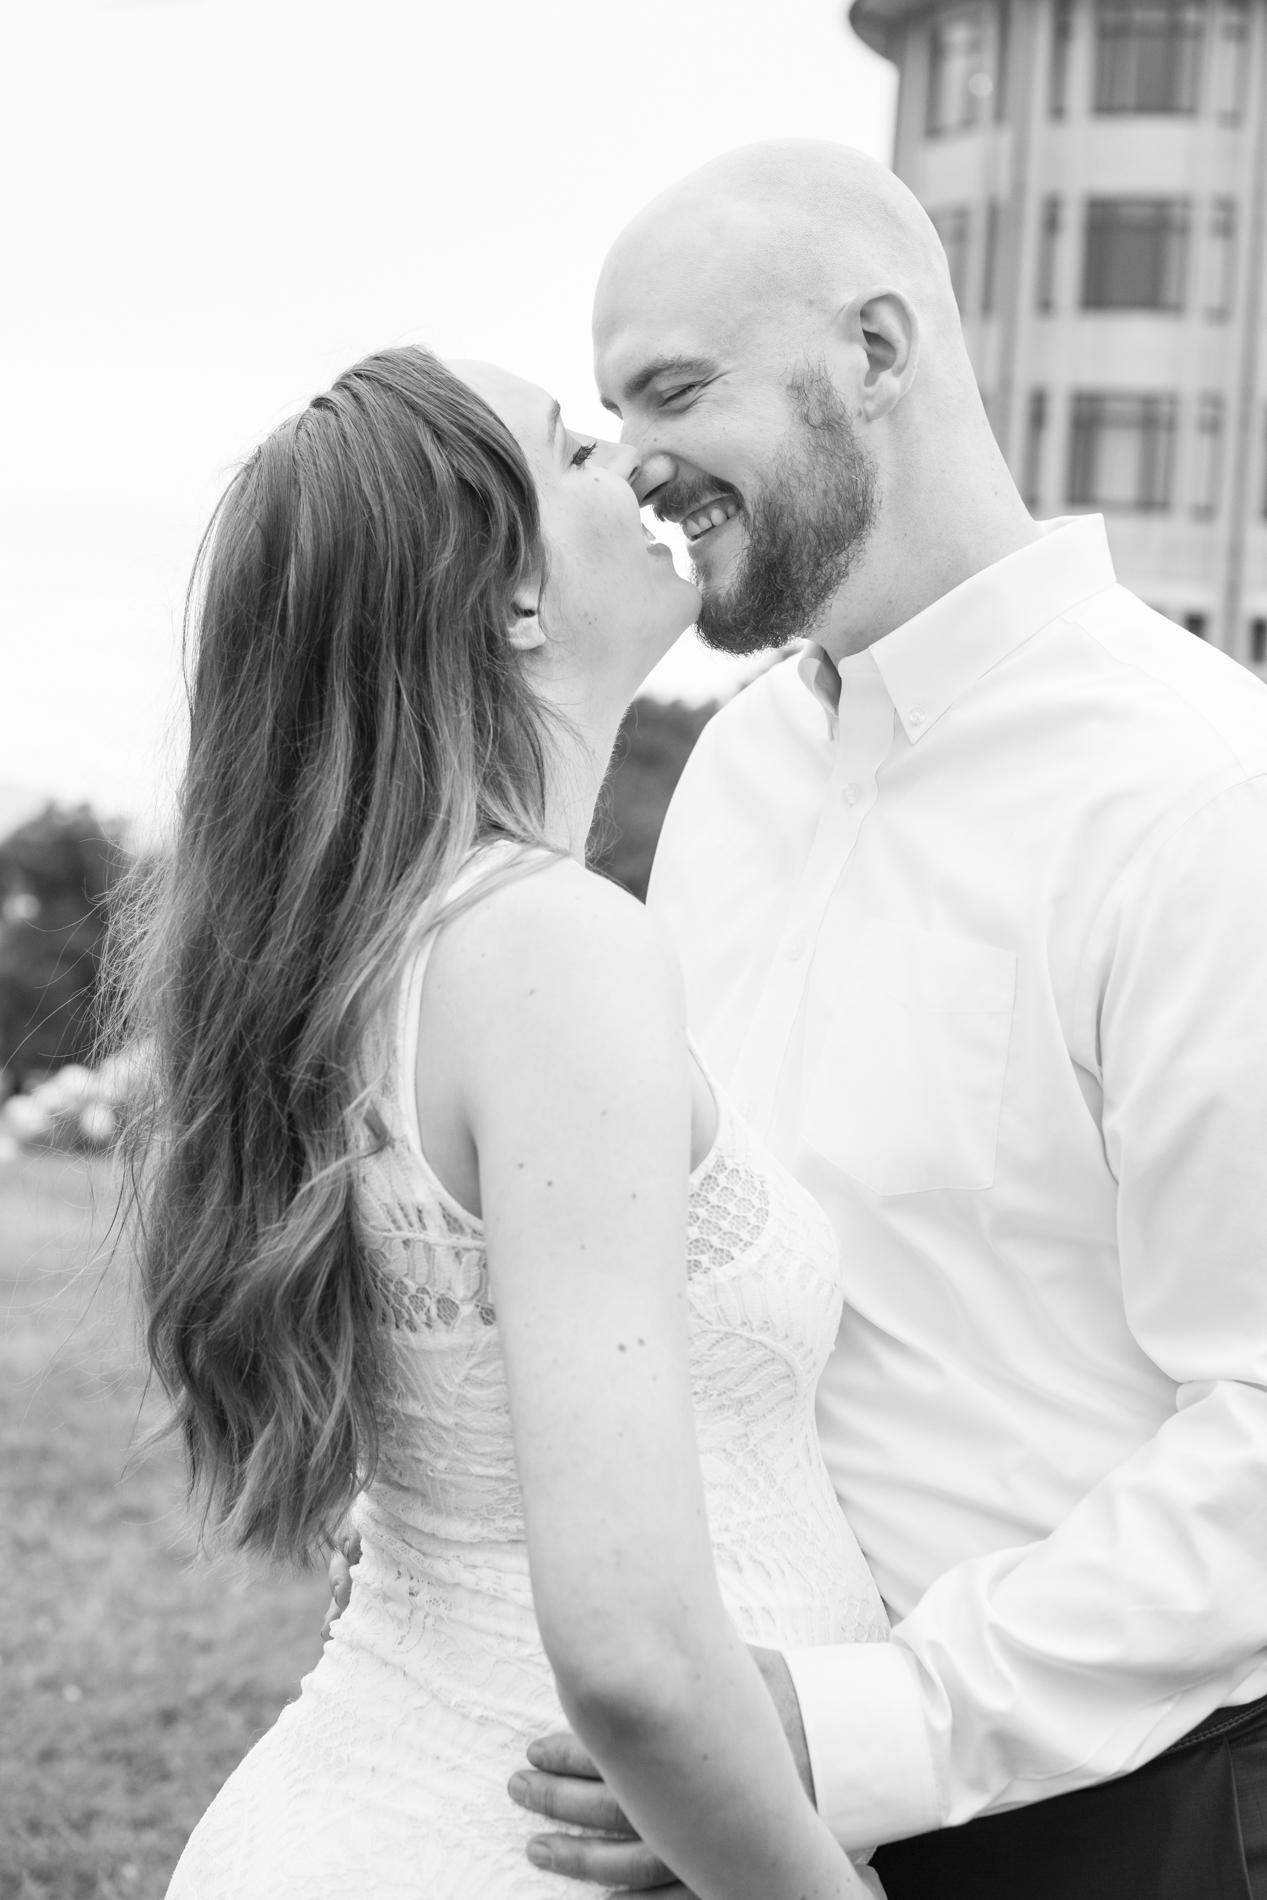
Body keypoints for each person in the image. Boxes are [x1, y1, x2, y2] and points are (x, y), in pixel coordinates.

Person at [504, 140, 1267, 1899]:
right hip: (726, 1787)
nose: (637, 467)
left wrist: (862, 1729)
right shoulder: (738, 771)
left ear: (877, 350)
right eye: (613, 415)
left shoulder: (1204, 798)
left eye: (676, 390)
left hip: (1110, 1824)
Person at [118, 344, 888, 1899]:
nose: (642, 464)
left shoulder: (387, 950)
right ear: (509, 597)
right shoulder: (551, 950)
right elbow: (633, 1659)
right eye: (582, 450)